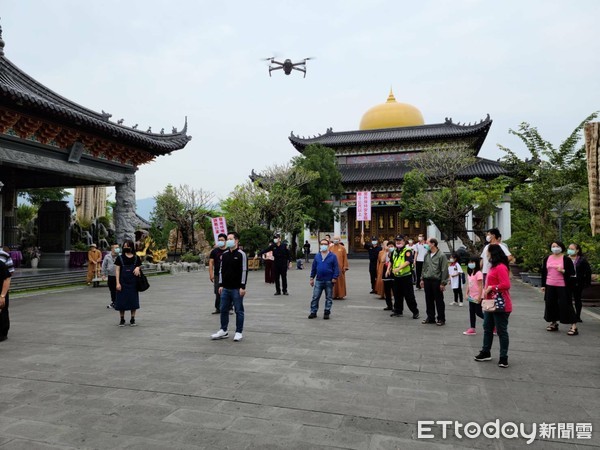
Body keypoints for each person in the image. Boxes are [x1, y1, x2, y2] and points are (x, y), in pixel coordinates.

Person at [474, 244, 512, 368]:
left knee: (501, 330)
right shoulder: (492, 267)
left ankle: (503, 357)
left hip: (500, 303)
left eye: (488, 253)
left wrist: (493, 288)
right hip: (490, 303)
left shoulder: (501, 267)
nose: (486, 255)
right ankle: (486, 351)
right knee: (487, 327)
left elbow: (506, 284)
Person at [211, 232, 248, 342]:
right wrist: (221, 284)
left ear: (236, 241)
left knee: (239, 310)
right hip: (225, 288)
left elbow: (244, 270)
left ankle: (238, 332)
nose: (229, 241)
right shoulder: (225, 255)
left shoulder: (241, 254)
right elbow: (221, 270)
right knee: (223, 309)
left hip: (237, 288)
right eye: (228, 239)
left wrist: (242, 286)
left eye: (231, 239)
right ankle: (223, 330)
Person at [541, 241, 578, 336]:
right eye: (553, 246)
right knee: (550, 303)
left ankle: (573, 326)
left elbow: (572, 272)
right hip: (550, 284)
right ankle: (553, 323)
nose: (555, 248)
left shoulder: (566, 259)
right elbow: (544, 272)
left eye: (557, 246)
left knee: (566, 304)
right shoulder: (547, 258)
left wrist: (563, 270)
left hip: (562, 285)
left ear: (561, 247)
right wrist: (543, 285)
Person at [308, 238, 339, 319]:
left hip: (329, 280)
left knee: (329, 297)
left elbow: (336, 268)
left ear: (328, 245)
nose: (323, 246)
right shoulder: (317, 256)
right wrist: (311, 278)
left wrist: (335, 277)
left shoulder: (333, 256)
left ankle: (327, 311)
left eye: (325, 244)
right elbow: (314, 268)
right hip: (319, 280)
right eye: (322, 244)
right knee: (315, 297)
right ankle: (313, 312)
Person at [420, 237, 449, 326]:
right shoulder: (427, 255)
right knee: (428, 299)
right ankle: (430, 317)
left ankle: (441, 318)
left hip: (436, 280)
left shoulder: (441, 255)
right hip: (427, 279)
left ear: (433, 244)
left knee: (439, 300)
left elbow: (444, 270)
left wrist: (443, 283)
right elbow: (424, 267)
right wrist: (422, 279)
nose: (426, 244)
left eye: (427, 243)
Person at [390, 235, 420, 319]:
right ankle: (398, 311)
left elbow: (408, 261)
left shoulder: (407, 250)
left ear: (404, 241)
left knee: (409, 295)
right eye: (397, 241)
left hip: (406, 277)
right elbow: (391, 261)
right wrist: (389, 269)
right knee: (397, 295)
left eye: (400, 240)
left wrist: (398, 268)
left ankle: (415, 311)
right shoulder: (395, 251)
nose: (398, 242)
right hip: (397, 277)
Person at [115, 239, 142, 327]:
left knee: (133, 301)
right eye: (124, 246)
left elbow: (139, 265)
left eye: (128, 246)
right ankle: (122, 319)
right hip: (122, 282)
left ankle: (132, 319)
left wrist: (138, 268)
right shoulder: (120, 258)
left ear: (131, 247)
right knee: (121, 301)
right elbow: (117, 270)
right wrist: (117, 283)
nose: (126, 248)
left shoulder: (136, 257)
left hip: (133, 283)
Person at [567, 243, 591, 323]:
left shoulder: (582, 260)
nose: (570, 250)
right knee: (567, 299)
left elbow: (588, 272)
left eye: (572, 249)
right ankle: (570, 315)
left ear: (577, 250)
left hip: (577, 282)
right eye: (569, 248)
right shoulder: (565, 259)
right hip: (567, 281)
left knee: (577, 299)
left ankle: (578, 316)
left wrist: (587, 283)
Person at [463, 256, 484, 335]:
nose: (470, 264)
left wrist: (479, 297)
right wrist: (466, 293)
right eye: (469, 262)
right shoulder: (470, 273)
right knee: (471, 311)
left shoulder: (478, 273)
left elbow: (480, 286)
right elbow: (469, 284)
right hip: (471, 296)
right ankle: (472, 328)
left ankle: (491, 323)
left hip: (477, 296)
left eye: (472, 262)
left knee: (478, 312)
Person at [208, 234, 227, 314]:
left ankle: (229, 308)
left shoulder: (229, 250)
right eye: (219, 240)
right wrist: (211, 274)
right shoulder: (214, 251)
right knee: (217, 291)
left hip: (227, 274)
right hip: (217, 274)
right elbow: (211, 263)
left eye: (222, 240)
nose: (220, 242)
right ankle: (218, 308)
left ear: (226, 241)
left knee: (228, 291)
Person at [101, 244, 120, 309]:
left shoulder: (120, 256)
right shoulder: (107, 256)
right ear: (112, 249)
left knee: (119, 290)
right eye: (116, 248)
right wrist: (103, 274)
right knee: (112, 290)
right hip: (111, 276)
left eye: (118, 247)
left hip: (119, 276)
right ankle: (114, 302)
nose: (118, 249)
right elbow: (104, 265)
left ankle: (118, 302)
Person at [0, 259, 12, 342]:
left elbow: (7, 279)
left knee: (2, 312)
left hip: (1, 293)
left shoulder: (1, 265)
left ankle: (3, 334)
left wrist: (2, 295)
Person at [382, 241, 396, 311]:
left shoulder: (396, 253)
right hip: (386, 273)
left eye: (392, 246)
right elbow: (382, 260)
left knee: (395, 290)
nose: (390, 247)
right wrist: (385, 251)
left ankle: (396, 306)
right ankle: (389, 305)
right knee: (387, 290)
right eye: (389, 246)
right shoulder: (386, 253)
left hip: (394, 272)